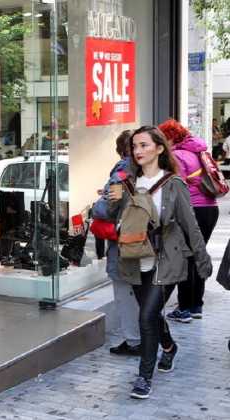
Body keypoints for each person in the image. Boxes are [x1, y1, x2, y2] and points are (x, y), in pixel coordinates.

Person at [109, 126, 211, 399]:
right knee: (151, 314)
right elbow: (113, 217)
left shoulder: (174, 184)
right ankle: (169, 346)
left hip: (165, 259)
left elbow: (191, 225)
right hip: (134, 259)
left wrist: (202, 260)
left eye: (144, 145)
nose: (137, 151)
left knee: (145, 317)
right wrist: (112, 201)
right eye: (134, 146)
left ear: (160, 148)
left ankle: (144, 376)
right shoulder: (127, 183)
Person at [158, 119, 219, 322]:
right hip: (210, 209)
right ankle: (196, 305)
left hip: (192, 210)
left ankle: (184, 308)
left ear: (170, 138)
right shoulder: (199, 151)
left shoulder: (177, 156)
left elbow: (177, 188)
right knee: (197, 255)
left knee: (185, 258)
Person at [92, 130, 141, 356]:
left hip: (125, 243)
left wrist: (97, 204)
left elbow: (107, 209)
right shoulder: (152, 169)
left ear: (121, 150)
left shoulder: (122, 173)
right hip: (146, 241)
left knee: (124, 293)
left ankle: (134, 340)